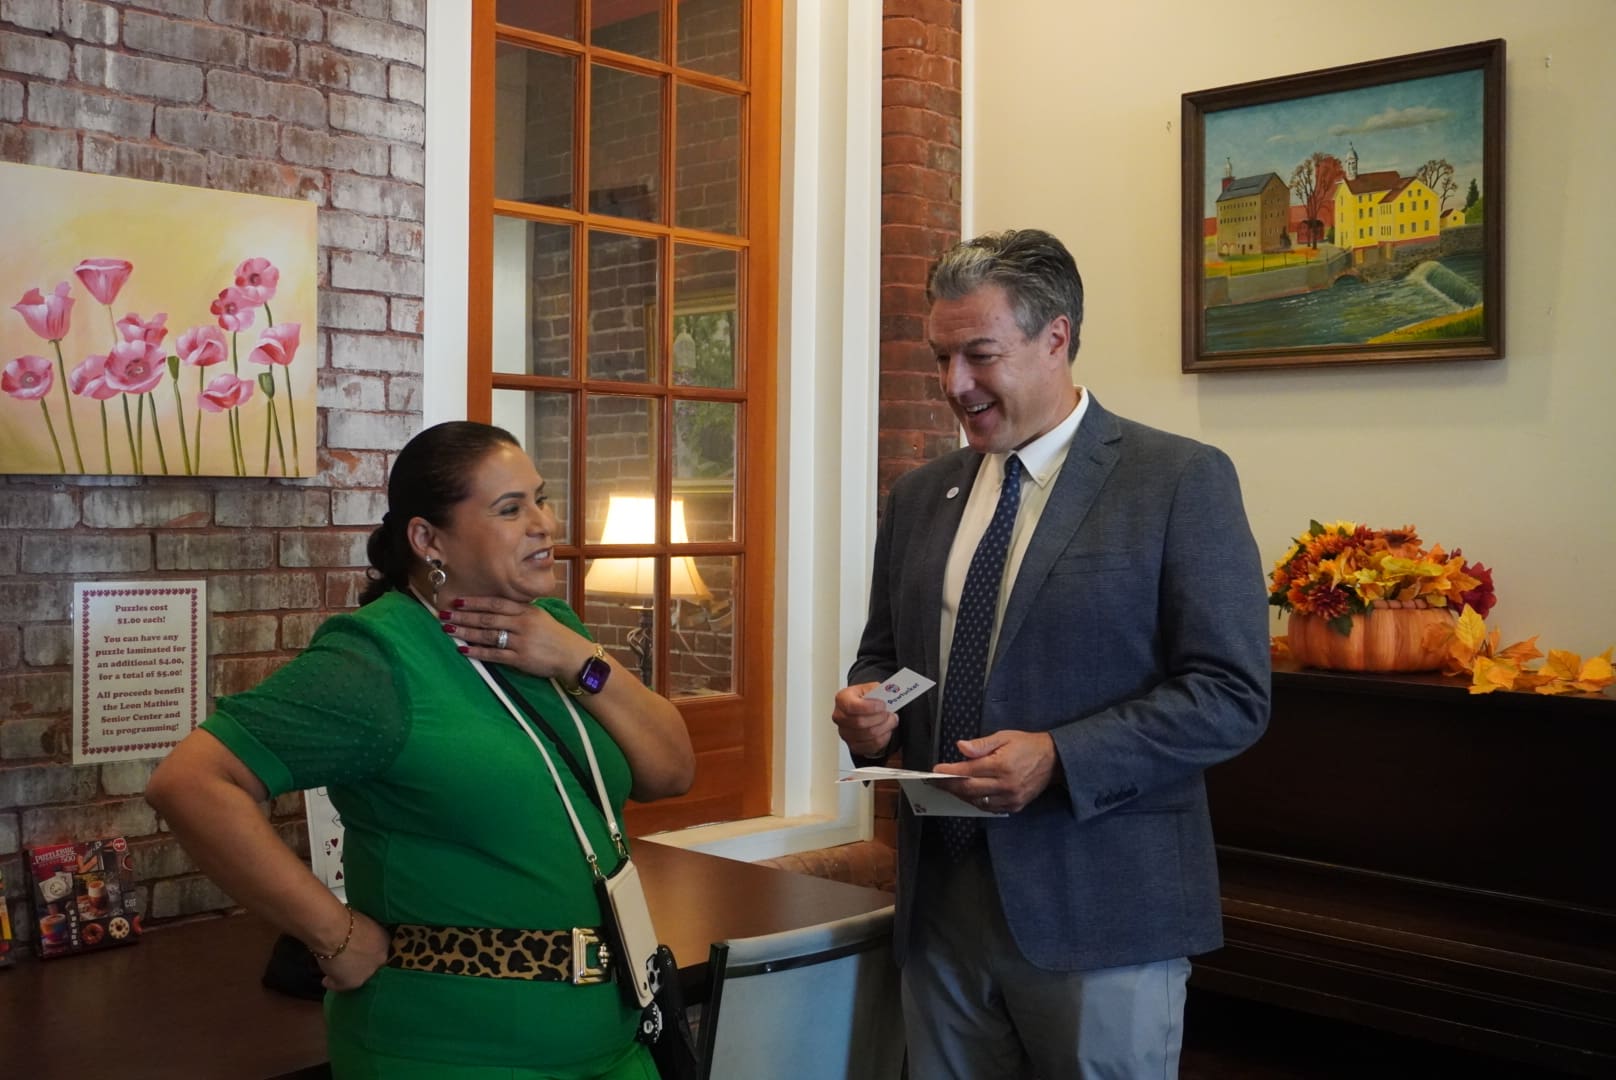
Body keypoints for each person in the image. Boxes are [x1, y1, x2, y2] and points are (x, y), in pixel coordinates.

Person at [831, 230, 1271, 1079]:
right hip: (939, 912)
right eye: (941, 357)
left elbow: (1231, 693)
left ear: (1056, 337)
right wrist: (870, 709)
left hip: (1102, 910)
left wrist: (1061, 756)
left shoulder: (1178, 480)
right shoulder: (919, 495)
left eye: (980, 354)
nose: (954, 384)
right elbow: (884, 656)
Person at [146, 421, 695, 1080]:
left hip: (616, 1042)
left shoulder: (555, 632)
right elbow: (191, 782)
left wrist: (579, 658)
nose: (544, 524)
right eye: (510, 509)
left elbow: (671, 772)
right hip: (455, 1054)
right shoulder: (377, 658)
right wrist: (336, 936)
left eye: (541, 500)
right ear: (427, 540)